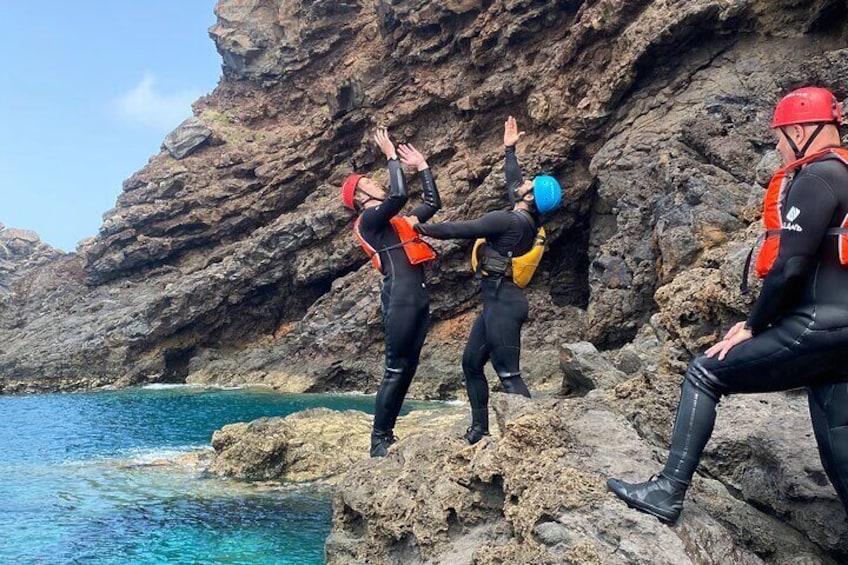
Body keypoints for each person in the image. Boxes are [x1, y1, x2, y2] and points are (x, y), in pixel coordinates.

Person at [607, 86, 848, 524]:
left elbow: (791, 268)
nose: (776, 144)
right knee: (839, 442)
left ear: (800, 129)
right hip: (841, 341)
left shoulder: (816, 177)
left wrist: (753, 325)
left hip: (818, 326)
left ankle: (666, 492)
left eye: (779, 134)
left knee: (705, 372)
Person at [406, 116, 562, 444]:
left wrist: (420, 228)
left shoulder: (507, 222)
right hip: (497, 303)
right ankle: (479, 430)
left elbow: (462, 229)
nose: (524, 182)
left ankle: (534, 442)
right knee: (471, 363)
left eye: (529, 184)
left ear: (531, 198)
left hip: (504, 305)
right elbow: (514, 183)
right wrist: (509, 150)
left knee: (509, 376)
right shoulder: (526, 220)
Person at [341, 128, 442, 457]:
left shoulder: (397, 222)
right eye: (368, 182)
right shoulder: (369, 219)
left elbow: (432, 203)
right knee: (396, 368)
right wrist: (391, 157)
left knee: (409, 368)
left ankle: (389, 434)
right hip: (398, 296)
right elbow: (398, 195)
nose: (375, 181)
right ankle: (378, 439)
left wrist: (424, 166)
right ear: (359, 196)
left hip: (417, 296)